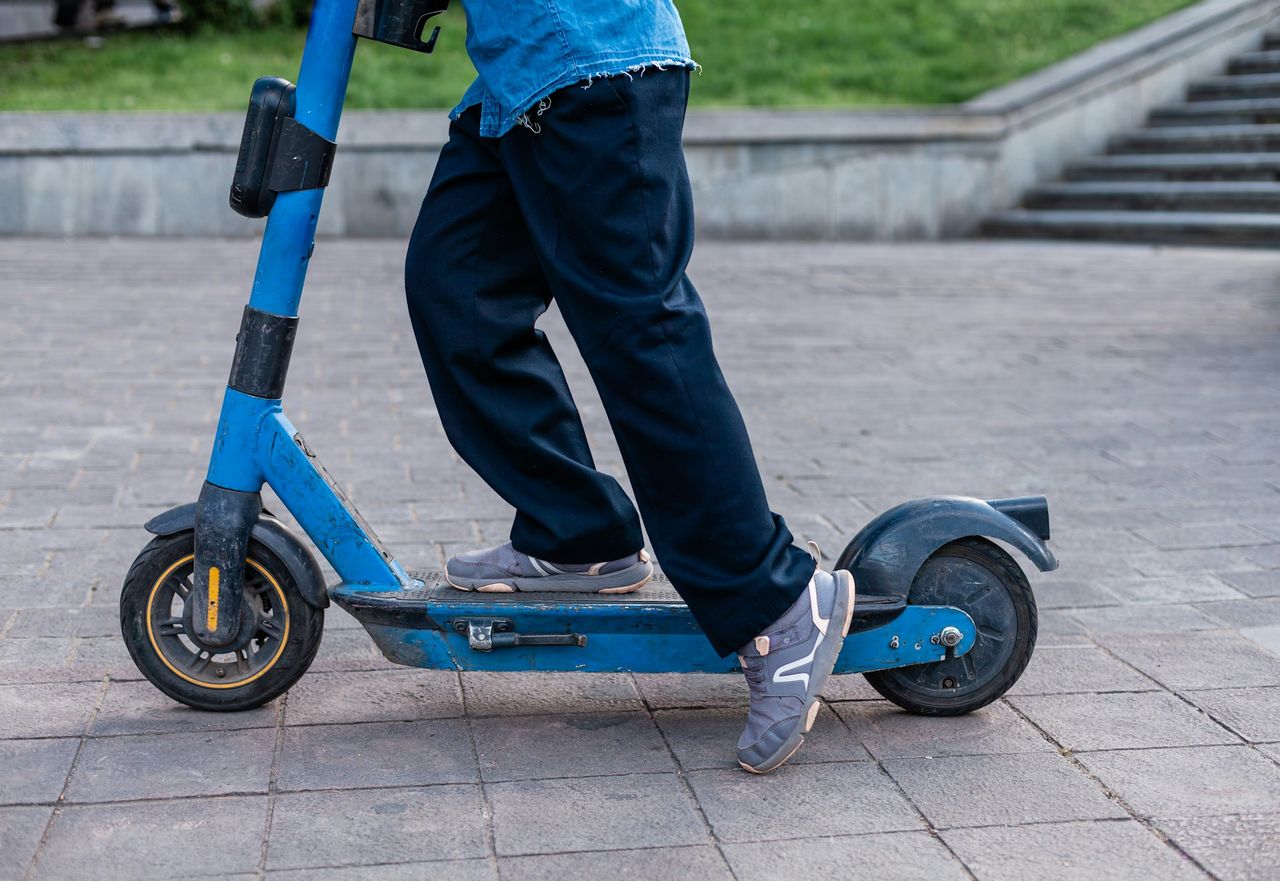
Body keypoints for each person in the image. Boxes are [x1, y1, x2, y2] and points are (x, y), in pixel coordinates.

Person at [404, 0, 855, 774]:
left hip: (590, 62)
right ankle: (576, 534)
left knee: (643, 330)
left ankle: (777, 599)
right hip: (517, 81)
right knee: (458, 292)